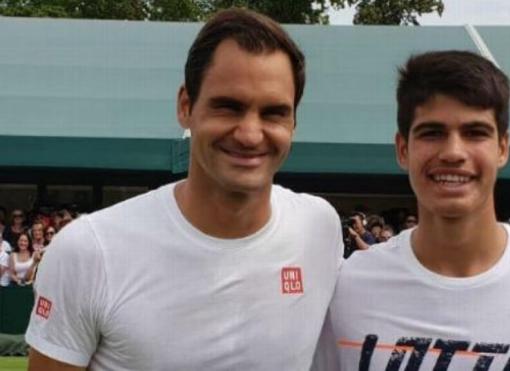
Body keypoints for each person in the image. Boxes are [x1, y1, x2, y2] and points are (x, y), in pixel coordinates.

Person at [27, 9, 343, 371]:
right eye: (228, 107)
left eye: (273, 113)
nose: (250, 134)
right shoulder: (88, 251)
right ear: (185, 106)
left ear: (294, 123)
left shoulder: (319, 227)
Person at [314, 51, 510, 370]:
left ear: (502, 148)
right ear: (403, 149)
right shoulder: (347, 286)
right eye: (432, 133)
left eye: (475, 133)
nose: (453, 152)